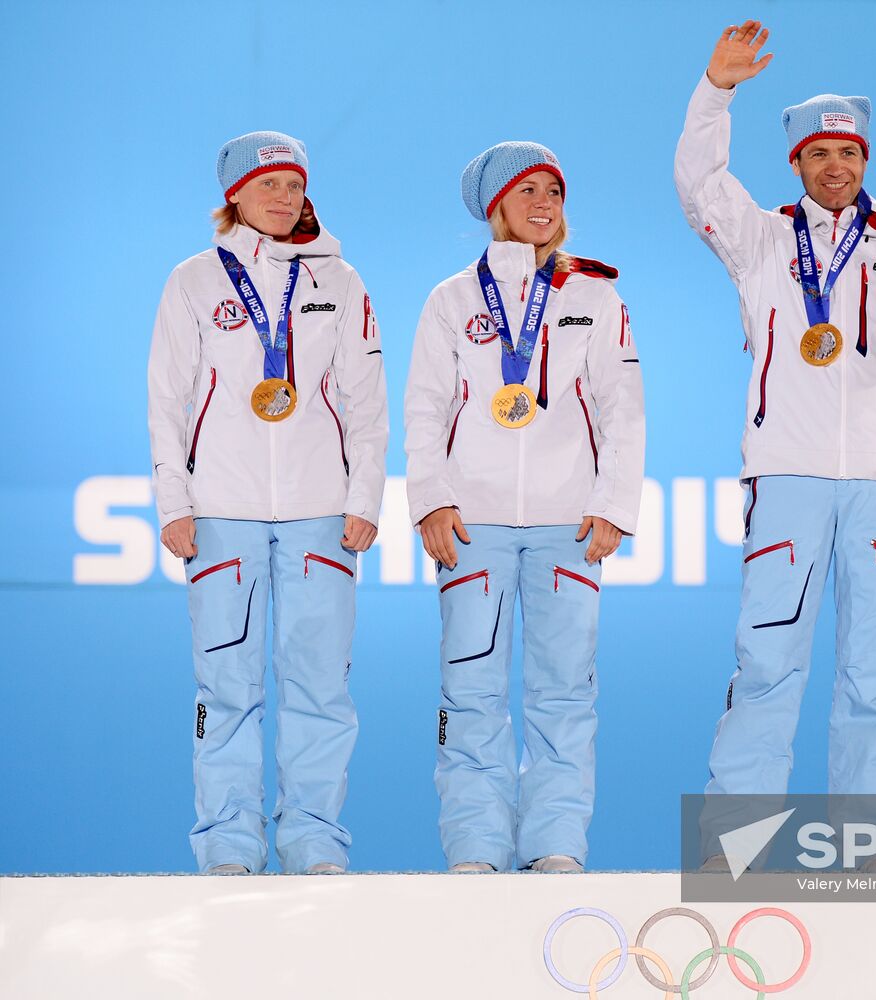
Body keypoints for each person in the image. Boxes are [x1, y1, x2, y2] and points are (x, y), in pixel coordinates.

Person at [675, 21, 876, 858]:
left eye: (850, 155)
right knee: (768, 664)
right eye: (821, 155)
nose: (837, 168)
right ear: (795, 163)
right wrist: (715, 91)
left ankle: (866, 855)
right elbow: (696, 181)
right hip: (784, 472)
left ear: (866, 161)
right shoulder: (757, 239)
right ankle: (734, 855)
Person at [148, 131, 389, 874]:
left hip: (321, 509)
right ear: (234, 196)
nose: (284, 199)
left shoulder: (340, 282)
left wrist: (365, 496)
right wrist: (173, 501)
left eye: (294, 186)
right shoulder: (193, 280)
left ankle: (314, 840)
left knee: (319, 685)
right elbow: (168, 399)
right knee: (226, 688)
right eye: (268, 186)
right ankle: (227, 845)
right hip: (221, 509)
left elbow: (365, 399)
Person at [405, 141, 645, 873]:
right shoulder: (450, 300)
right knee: (470, 690)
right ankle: (474, 849)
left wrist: (612, 503)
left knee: (563, 693)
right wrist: (431, 500)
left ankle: (555, 847)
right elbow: (423, 408)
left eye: (554, 191)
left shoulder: (596, 296)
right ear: (494, 207)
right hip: (470, 524)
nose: (544, 204)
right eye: (527, 191)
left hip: (567, 523)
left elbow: (622, 410)